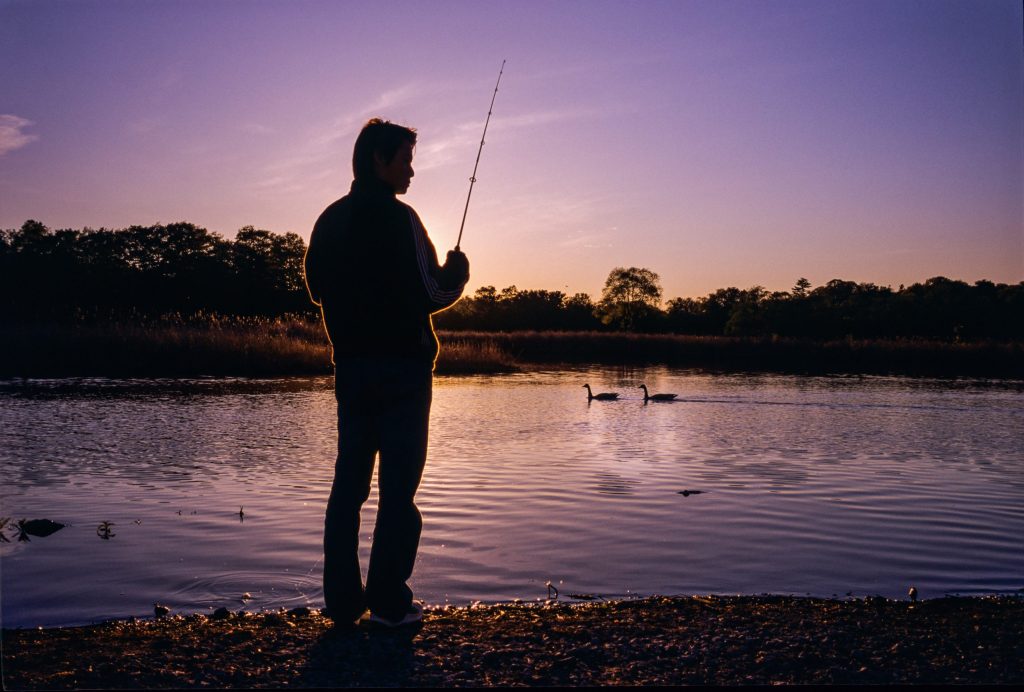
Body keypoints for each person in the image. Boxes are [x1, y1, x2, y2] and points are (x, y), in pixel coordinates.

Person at [304, 118, 470, 627]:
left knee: (348, 488)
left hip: (351, 371)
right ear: (379, 160)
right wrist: (458, 270)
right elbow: (435, 292)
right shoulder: (403, 221)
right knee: (398, 491)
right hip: (402, 375)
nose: (411, 170)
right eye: (405, 159)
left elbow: (316, 287)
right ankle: (390, 604)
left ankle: (342, 604)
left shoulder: (328, 220)